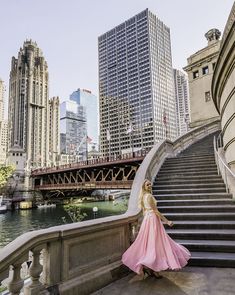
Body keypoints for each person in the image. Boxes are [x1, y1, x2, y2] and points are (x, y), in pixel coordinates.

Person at [122, 179, 191, 282]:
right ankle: (152, 268)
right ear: (144, 187)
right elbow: (155, 211)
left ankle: (150, 268)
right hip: (153, 220)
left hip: (148, 220)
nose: (150, 185)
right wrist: (167, 221)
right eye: (147, 184)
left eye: (150, 184)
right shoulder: (149, 196)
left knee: (151, 244)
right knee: (155, 244)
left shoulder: (144, 196)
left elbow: (145, 211)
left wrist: (147, 220)